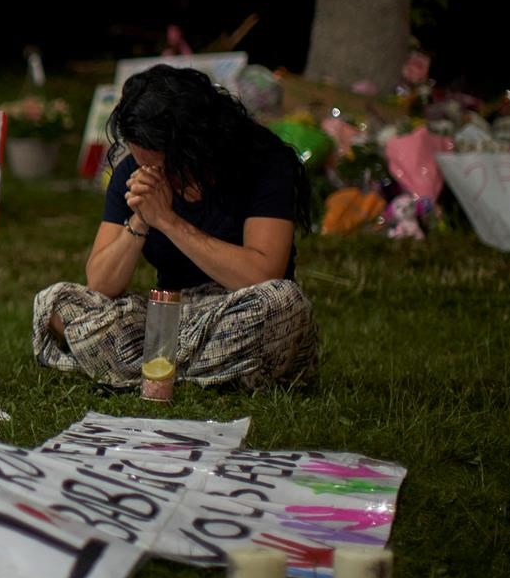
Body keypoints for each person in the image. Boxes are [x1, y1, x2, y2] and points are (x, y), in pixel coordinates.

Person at [33, 64, 318, 390]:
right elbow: (100, 283)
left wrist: (168, 221)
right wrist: (141, 217)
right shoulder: (133, 173)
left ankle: (147, 369)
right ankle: (193, 371)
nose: (151, 171)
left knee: (283, 304)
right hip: (169, 316)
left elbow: (261, 274)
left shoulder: (263, 162)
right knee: (55, 303)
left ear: (195, 145)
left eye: (162, 163)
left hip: (237, 312)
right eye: (142, 162)